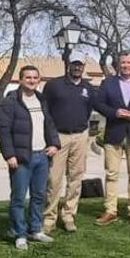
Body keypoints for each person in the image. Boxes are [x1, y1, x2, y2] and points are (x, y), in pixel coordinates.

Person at [0, 65, 61, 251]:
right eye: (28, 77)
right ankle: (19, 234)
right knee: (18, 198)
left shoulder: (42, 100)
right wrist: (9, 155)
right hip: (21, 158)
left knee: (39, 195)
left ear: (39, 80)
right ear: (20, 80)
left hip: (42, 156)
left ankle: (35, 229)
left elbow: (49, 124)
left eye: (35, 77)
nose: (32, 81)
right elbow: (3, 130)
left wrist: (54, 144)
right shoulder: (11, 101)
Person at [92, 51, 130, 225]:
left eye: (129, 62)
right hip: (114, 133)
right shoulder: (108, 83)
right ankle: (110, 210)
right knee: (111, 174)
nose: (125, 65)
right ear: (118, 65)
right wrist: (115, 112)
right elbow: (98, 104)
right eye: (122, 62)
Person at [41, 58, 94, 234]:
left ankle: (69, 215)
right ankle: (49, 217)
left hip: (80, 135)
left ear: (83, 67)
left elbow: (88, 110)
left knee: (76, 178)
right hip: (59, 136)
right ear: (68, 65)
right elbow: (45, 112)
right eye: (74, 64)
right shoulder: (54, 85)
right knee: (54, 179)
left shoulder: (88, 88)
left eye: (80, 65)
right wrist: (51, 137)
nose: (77, 68)